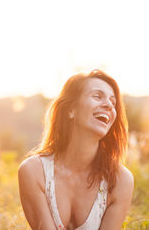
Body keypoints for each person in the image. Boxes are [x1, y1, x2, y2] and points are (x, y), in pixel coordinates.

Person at [18, 69, 134, 230]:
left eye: (113, 102)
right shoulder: (34, 171)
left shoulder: (121, 180)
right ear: (71, 110)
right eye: (97, 96)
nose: (108, 105)